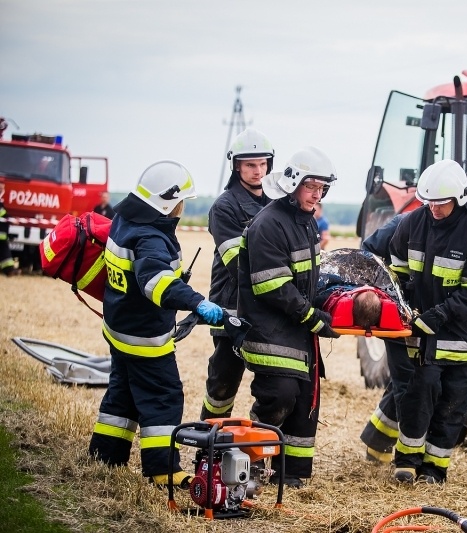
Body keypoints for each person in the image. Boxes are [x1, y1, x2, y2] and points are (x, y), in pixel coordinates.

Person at [88, 161, 224, 489]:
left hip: (118, 330)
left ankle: (105, 455)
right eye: (181, 201)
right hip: (143, 338)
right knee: (163, 395)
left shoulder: (124, 221)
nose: (182, 207)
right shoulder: (151, 238)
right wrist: (197, 302)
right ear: (166, 202)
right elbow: (156, 284)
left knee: (122, 393)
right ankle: (163, 469)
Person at [358, 213, 467, 464]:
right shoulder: (402, 226)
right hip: (402, 325)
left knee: (412, 389)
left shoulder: (466, 231)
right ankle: (381, 449)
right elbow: (366, 258)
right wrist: (384, 298)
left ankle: (377, 439)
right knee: (409, 388)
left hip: (432, 324)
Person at [388, 159, 467, 484]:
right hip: (423, 336)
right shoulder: (410, 224)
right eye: (430, 201)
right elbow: (395, 274)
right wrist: (403, 305)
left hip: (463, 340)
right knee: (417, 398)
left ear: (459, 198)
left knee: (452, 407)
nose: (435, 208)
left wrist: (437, 316)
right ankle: (406, 462)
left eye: (442, 202)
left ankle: (434, 470)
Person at [238, 146, 340, 488]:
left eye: (322, 188)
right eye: (311, 186)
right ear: (293, 184)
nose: (316, 194)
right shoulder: (269, 224)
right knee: (279, 396)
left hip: (296, 330)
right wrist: (314, 318)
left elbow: (307, 279)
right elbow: (273, 287)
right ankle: (250, 462)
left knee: (304, 404)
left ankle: (291, 475)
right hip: (270, 332)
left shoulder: (306, 223)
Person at [200, 128, 274, 421]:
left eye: (263, 164)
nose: (258, 171)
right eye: (250, 165)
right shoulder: (224, 207)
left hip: (269, 309)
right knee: (222, 386)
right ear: (237, 166)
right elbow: (236, 264)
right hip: (232, 308)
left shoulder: (277, 202)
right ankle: (208, 446)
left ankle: (257, 452)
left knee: (272, 386)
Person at [0, 182, 21, 276]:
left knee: (4, 251)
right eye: (1, 188)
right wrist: (11, 219)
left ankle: (9, 270)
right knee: (4, 251)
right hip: (1, 233)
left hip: (2, 233)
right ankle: (9, 270)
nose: (2, 190)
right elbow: (2, 213)